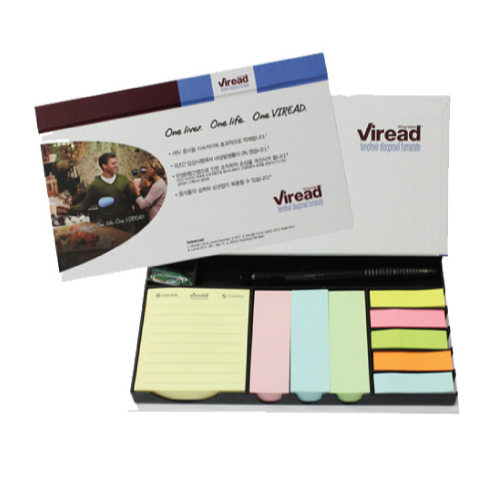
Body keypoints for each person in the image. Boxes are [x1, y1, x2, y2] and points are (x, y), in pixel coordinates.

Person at [58, 153, 137, 231]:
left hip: (128, 223)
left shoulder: (123, 179)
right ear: (104, 166)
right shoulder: (95, 185)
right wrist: (69, 209)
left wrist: (136, 190)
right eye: (113, 163)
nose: (116, 165)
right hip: (110, 225)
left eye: (116, 163)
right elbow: (84, 205)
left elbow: (132, 199)